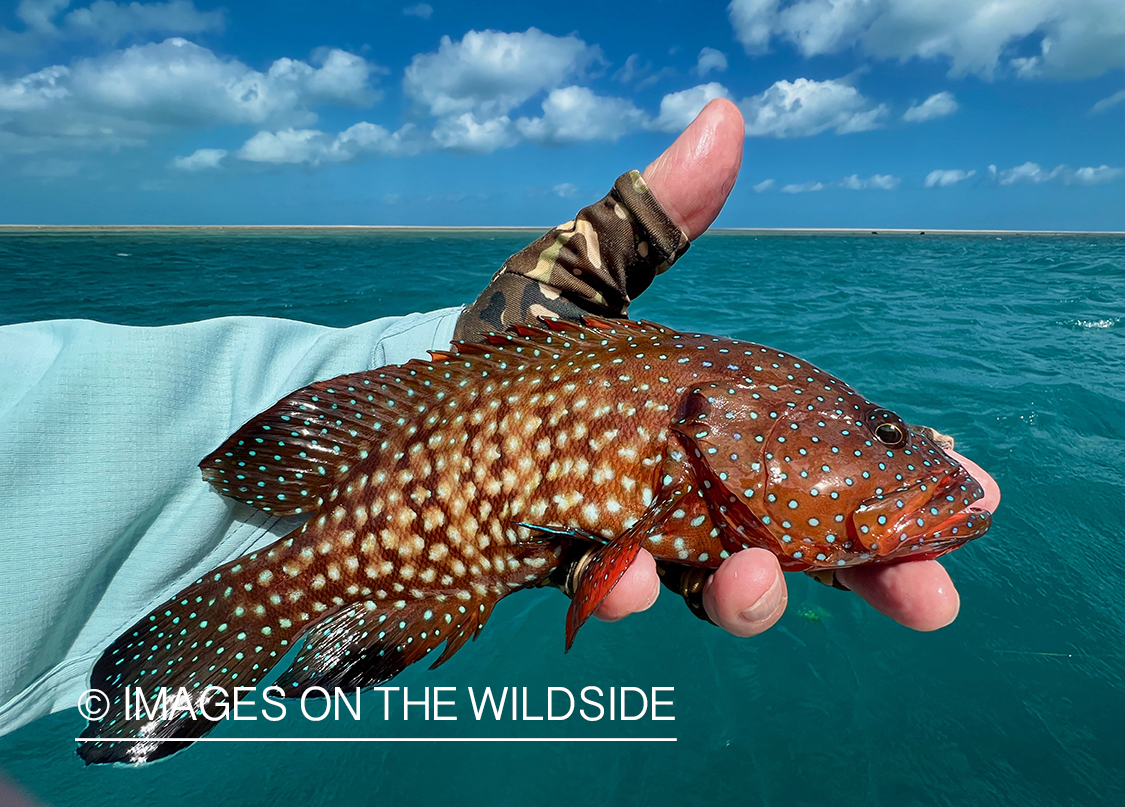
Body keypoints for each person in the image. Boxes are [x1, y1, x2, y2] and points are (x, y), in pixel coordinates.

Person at [0, 99, 961, 738]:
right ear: (722, 427)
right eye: (877, 431)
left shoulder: (715, 401)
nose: (898, 450)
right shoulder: (703, 397)